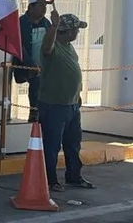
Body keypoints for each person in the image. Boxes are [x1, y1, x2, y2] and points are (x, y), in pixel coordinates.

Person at [39, 10, 95, 192]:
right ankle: (50, 179)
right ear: (69, 31)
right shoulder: (52, 46)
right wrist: (53, 27)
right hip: (54, 105)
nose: (78, 32)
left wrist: (77, 94)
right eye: (76, 29)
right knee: (52, 144)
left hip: (71, 104)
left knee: (72, 143)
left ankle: (74, 176)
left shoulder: (69, 48)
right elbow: (46, 48)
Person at [16, 0, 52, 121]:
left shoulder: (46, 23)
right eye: (41, 6)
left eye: (45, 6)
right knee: (36, 86)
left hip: (46, 65)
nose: (44, 9)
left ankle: (42, 113)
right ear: (30, 7)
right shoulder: (20, 23)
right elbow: (18, 45)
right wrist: (30, 63)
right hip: (28, 65)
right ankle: (34, 113)